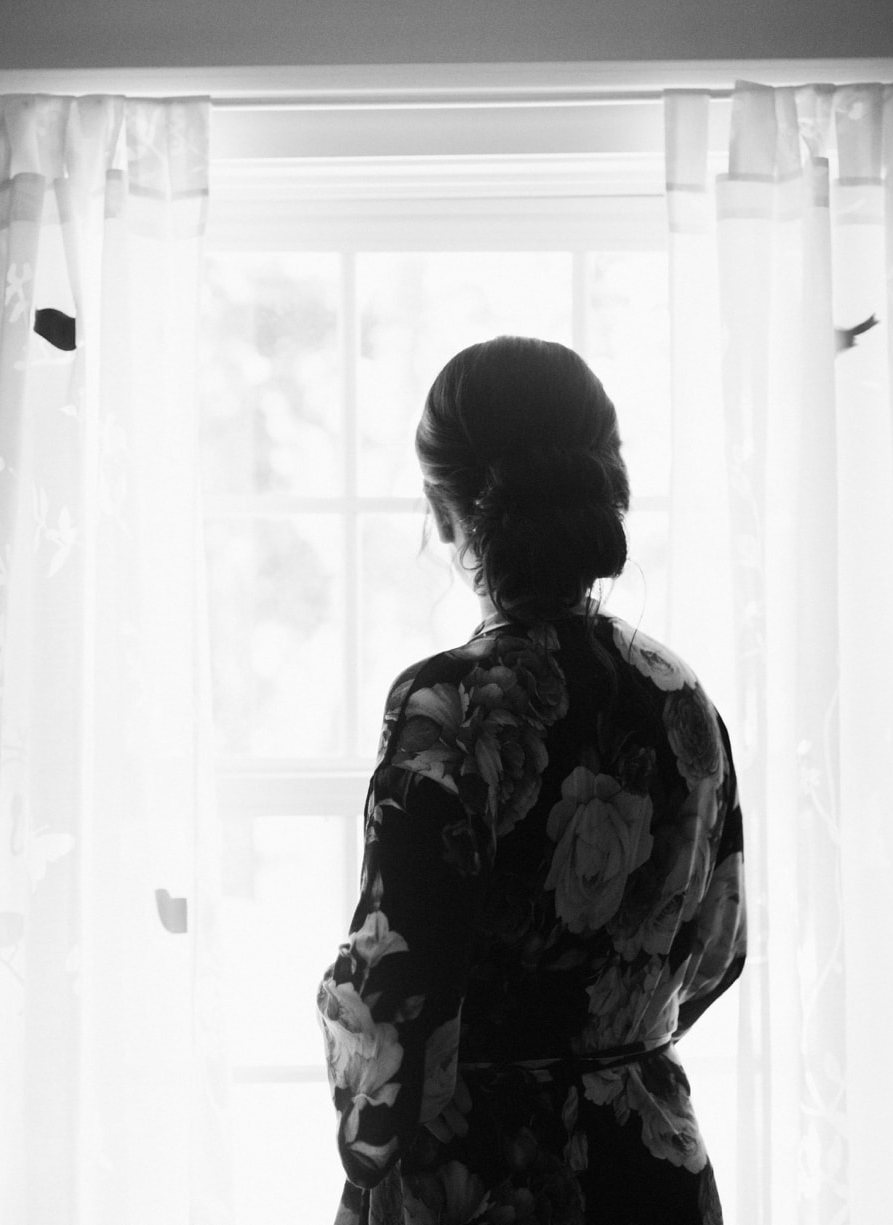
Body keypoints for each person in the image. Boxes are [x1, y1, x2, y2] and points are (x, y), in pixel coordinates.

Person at [317, 336, 746, 1225]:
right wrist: (608, 1047)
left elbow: (396, 987)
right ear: (604, 485)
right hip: (648, 1169)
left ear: (446, 510)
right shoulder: (682, 696)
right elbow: (718, 947)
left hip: (484, 1179)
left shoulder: (448, 708)